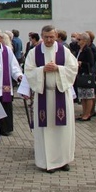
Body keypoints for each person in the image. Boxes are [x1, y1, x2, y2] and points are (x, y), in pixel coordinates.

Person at [24, 25, 78, 172]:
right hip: (44, 96)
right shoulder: (34, 52)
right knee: (45, 131)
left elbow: (73, 68)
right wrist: (42, 70)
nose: (49, 40)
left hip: (61, 94)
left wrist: (58, 69)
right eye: (46, 37)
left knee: (63, 130)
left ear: (56, 36)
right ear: (42, 36)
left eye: (51, 37)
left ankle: (63, 161)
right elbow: (28, 71)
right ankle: (46, 162)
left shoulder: (64, 51)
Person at [0, 28, 25, 135]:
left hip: (4, 83)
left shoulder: (7, 50)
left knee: (5, 106)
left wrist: (19, 76)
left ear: (1, 38)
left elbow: (13, 66)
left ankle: (5, 129)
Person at [75, 33, 96, 122]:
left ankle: (88, 114)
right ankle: (84, 113)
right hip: (80, 74)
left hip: (86, 75)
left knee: (88, 96)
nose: (77, 41)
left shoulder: (88, 50)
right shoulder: (80, 50)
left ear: (84, 40)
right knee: (83, 96)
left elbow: (91, 63)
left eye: (79, 40)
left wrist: (81, 63)